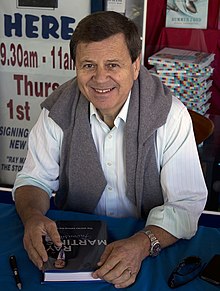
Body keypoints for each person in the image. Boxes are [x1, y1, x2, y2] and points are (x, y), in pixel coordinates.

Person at [12, 11, 207, 288]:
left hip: (148, 242)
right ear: (75, 67)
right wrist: (32, 217)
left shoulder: (170, 116)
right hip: (77, 246)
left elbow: (186, 203)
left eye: (113, 65)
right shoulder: (57, 111)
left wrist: (142, 244)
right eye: (88, 65)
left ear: (135, 66)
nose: (100, 78)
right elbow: (33, 180)